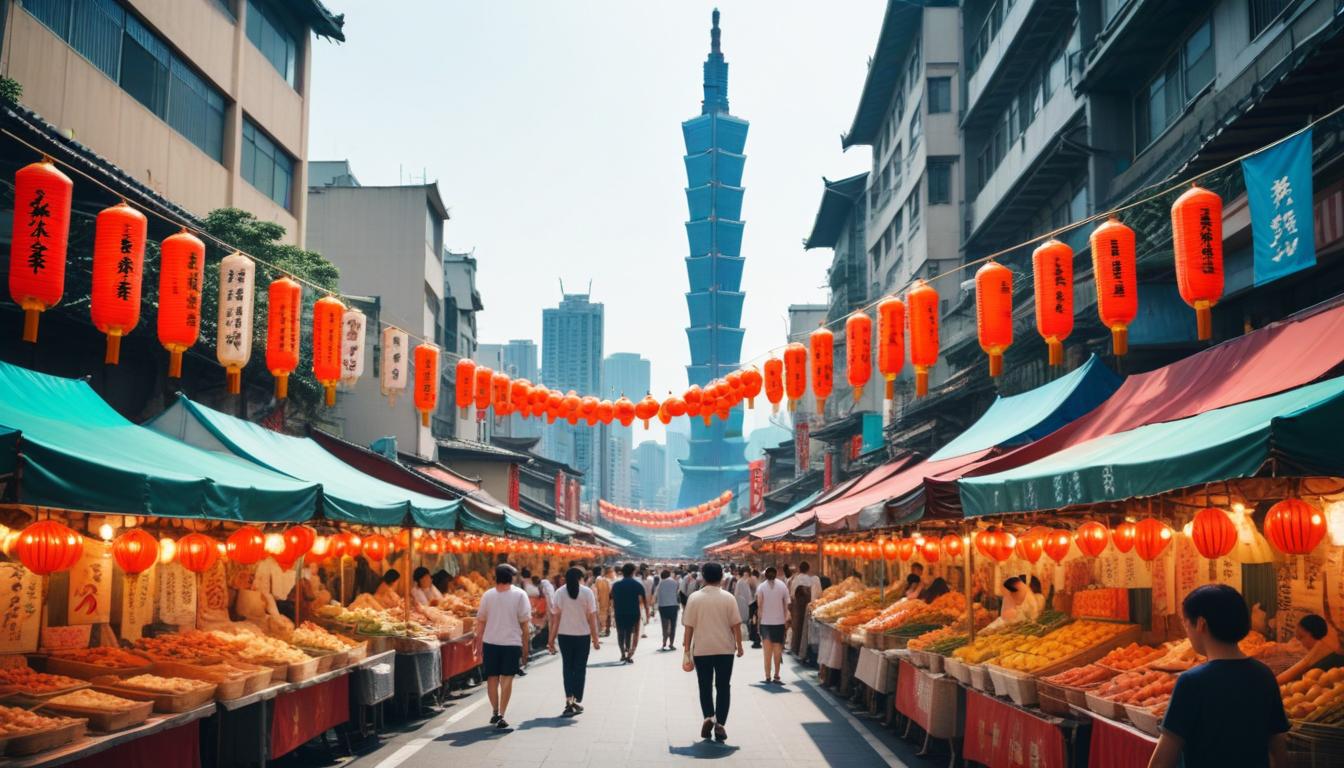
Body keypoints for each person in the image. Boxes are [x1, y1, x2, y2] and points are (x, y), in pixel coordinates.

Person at [1149, 584, 1288, 768]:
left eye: (1186, 623)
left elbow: (1162, 760)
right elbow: (1279, 749)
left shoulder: (1192, 682)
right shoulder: (1264, 675)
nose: (1187, 632)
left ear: (1201, 624)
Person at [682, 563, 744, 743]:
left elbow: (688, 628)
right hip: (725, 649)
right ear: (721, 577)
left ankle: (708, 716)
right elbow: (736, 625)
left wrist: (687, 650)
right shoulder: (728, 598)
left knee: (705, 684)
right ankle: (721, 724)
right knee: (724, 686)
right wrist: (739, 646)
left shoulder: (694, 598)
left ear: (703, 576)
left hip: (702, 649)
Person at [474, 564, 533, 730]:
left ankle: (494, 710)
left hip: (491, 642)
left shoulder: (488, 595)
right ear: (511, 577)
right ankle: (501, 714)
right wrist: (526, 647)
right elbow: (525, 624)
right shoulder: (520, 595)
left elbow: (481, 622)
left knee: (492, 678)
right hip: (511, 643)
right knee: (507, 678)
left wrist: (478, 644)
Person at [548, 566, 600, 717]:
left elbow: (555, 619)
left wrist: (550, 640)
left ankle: (569, 699)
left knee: (567, 667)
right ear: (580, 578)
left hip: (564, 636)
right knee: (580, 667)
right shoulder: (587, 592)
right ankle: (576, 697)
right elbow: (592, 617)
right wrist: (595, 639)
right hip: (583, 636)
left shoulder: (559, 593)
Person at [1277, 614, 1344, 684]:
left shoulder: (1324, 652)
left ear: (1314, 634)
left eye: (1301, 637)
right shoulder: (1323, 651)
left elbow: (1279, 681)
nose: (1301, 643)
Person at [756, 566, 790, 684]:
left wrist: (759, 622)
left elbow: (759, 605)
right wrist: (785, 620)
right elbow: (786, 605)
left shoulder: (761, 587)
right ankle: (776, 675)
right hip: (779, 622)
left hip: (766, 623)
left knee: (767, 651)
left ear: (765, 575)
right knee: (777, 651)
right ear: (776, 574)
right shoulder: (782, 586)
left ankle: (767, 676)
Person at [611, 563, 648, 663]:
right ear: (633, 572)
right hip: (633, 613)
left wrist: (612, 613)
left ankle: (622, 653)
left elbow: (612, 600)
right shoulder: (637, 585)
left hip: (619, 612)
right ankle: (629, 653)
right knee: (630, 633)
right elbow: (644, 601)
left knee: (620, 633)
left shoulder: (616, 585)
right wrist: (647, 615)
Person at [788, 561, 821, 655]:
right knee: (805, 629)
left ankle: (795, 648)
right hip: (807, 606)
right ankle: (804, 651)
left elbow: (792, 594)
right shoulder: (811, 580)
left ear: (799, 569)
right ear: (808, 569)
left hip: (797, 607)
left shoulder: (795, 579)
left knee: (797, 628)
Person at [656, 568, 681, 650]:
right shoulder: (675, 582)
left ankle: (664, 643)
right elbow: (677, 594)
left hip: (663, 606)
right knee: (673, 625)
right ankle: (671, 644)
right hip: (673, 606)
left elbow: (658, 595)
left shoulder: (660, 583)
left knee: (665, 626)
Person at [732, 567, 756, 649]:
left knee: (745, 620)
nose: (746, 576)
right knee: (744, 620)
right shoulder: (741, 582)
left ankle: (745, 636)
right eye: (745, 574)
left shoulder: (745, 581)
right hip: (743, 604)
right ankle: (744, 636)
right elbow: (741, 594)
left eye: (747, 574)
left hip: (746, 603)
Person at [592, 566, 612, 637]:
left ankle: (600, 631)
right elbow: (610, 592)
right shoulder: (605, 581)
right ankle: (604, 630)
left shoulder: (592, 580)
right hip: (604, 603)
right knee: (605, 616)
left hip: (597, 602)